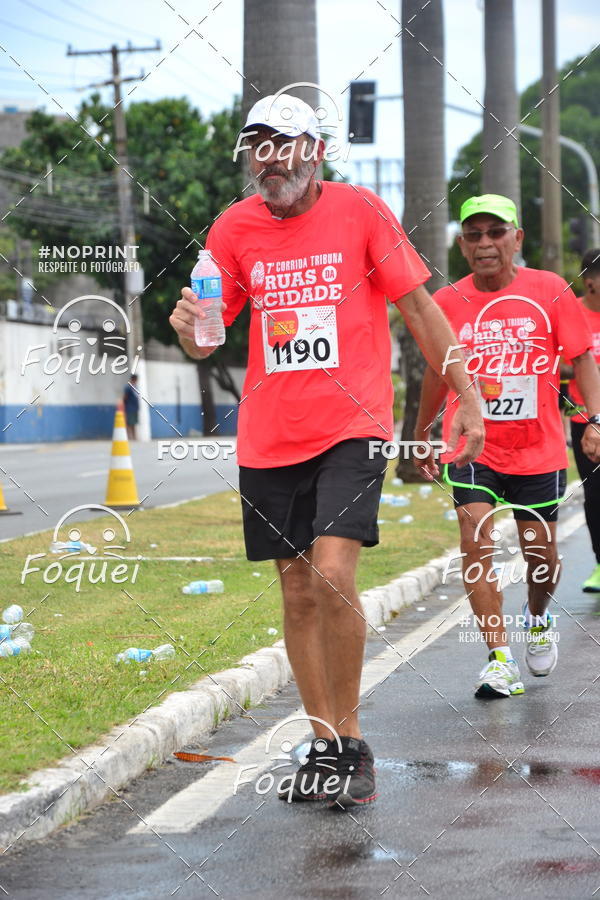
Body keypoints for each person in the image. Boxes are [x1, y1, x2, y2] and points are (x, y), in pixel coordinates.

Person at [170, 93, 483, 807]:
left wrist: (466, 394)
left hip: (353, 424)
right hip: (269, 435)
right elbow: (209, 337)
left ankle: (352, 740)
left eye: (284, 145)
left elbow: (419, 308)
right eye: (259, 146)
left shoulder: (360, 211)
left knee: (334, 572)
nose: (271, 160)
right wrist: (191, 330)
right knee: (296, 587)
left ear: (314, 152)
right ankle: (324, 745)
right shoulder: (232, 229)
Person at [415, 194, 600, 699]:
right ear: (461, 244)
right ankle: (499, 659)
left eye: (496, 232)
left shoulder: (550, 290)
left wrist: (594, 419)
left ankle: (537, 616)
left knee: (541, 555)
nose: (485, 243)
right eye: (474, 235)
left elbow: (583, 358)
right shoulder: (446, 301)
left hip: (538, 448)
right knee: (475, 540)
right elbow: (435, 371)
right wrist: (424, 432)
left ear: (516, 239)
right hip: (473, 449)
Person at [561, 248, 600, 591]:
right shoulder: (570, 312)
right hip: (585, 421)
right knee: (596, 494)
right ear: (590, 282)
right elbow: (553, 359)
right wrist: (584, 368)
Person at [123, 375, 139, 441]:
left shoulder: (135, 387)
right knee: (128, 423)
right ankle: (128, 436)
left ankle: (134, 437)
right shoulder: (128, 387)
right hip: (129, 407)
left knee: (133, 423)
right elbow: (125, 397)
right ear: (134, 379)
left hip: (134, 408)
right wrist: (124, 404)